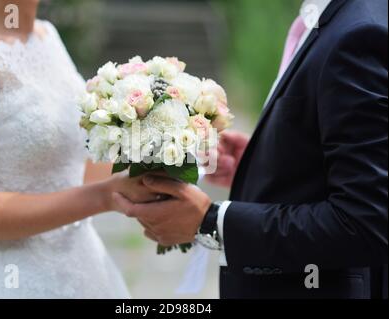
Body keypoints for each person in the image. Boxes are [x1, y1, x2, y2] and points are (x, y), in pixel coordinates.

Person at [115, 0, 389, 299]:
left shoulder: (357, 34)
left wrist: (211, 222)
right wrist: (266, 159)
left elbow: (365, 223)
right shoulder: (335, 18)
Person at [0, 0, 158, 298]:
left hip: (85, 269)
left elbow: (70, 165)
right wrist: (105, 196)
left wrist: (155, 160)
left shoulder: (47, 37)